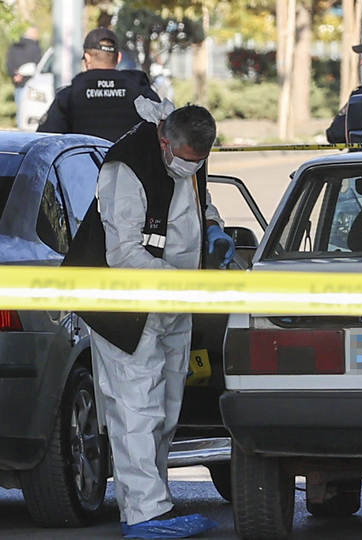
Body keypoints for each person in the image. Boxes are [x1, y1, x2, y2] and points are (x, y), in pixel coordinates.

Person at [62, 99, 231, 539]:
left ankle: (157, 502)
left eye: (199, 163)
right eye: (186, 161)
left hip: (172, 302)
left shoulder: (188, 155)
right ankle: (144, 514)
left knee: (166, 407)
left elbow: (196, 202)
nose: (190, 169)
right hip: (127, 306)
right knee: (136, 408)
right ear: (164, 140)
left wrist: (212, 227)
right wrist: (181, 284)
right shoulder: (125, 168)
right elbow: (124, 253)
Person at [37, 27, 160, 142]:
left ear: (87, 58)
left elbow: (45, 140)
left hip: (83, 164)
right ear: (118, 58)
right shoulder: (140, 90)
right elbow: (165, 131)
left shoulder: (69, 95)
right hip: (130, 164)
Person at [7, 27, 42, 125]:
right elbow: (37, 65)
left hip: (18, 83)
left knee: (20, 108)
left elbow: (9, 63)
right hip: (32, 85)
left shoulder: (14, 47)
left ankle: (20, 126)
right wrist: (24, 76)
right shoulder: (36, 48)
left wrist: (15, 76)